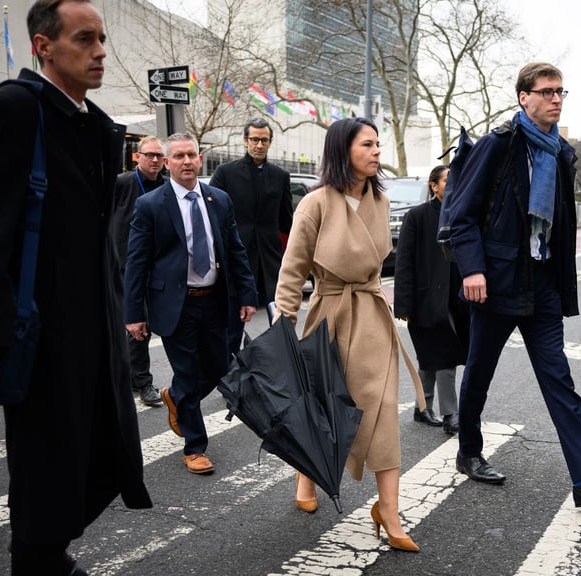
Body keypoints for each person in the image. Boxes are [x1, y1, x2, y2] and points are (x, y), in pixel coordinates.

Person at [0, 1, 152, 573]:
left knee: (93, 455)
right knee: (46, 469)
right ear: (43, 47)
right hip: (38, 330)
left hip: (92, 328)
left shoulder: (93, 123)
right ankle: (40, 560)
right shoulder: (16, 108)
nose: (101, 51)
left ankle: (44, 555)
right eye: (85, 39)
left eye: (102, 38)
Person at [445, 62, 581, 508]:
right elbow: (461, 215)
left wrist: (558, 276)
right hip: (496, 282)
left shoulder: (560, 152)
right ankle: (469, 451)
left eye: (561, 92)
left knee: (559, 379)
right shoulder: (498, 146)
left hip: (542, 283)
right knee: (479, 373)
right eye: (547, 91)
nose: (556, 99)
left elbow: (562, 223)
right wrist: (473, 269)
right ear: (524, 97)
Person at [274, 117, 425, 552]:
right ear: (344, 152)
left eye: (378, 144)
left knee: (380, 410)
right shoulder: (317, 202)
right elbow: (294, 266)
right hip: (331, 314)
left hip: (373, 315)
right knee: (324, 404)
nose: (377, 152)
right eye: (367, 145)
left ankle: (389, 510)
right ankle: (307, 476)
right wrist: (284, 320)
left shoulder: (380, 199)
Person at [124, 132, 258, 475]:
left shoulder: (220, 200)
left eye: (191, 155)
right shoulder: (151, 205)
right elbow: (136, 263)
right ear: (167, 163)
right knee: (186, 369)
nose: (186, 161)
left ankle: (176, 397)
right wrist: (134, 314)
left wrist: (246, 295)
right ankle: (195, 447)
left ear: (200, 159)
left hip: (215, 301)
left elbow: (235, 251)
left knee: (216, 368)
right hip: (175, 305)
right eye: (178, 156)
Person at [393, 164, 467, 435]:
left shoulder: (462, 213)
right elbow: (404, 262)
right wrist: (403, 304)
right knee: (445, 355)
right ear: (433, 186)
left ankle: (422, 407)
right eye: (448, 180)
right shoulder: (417, 216)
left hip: (458, 299)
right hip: (425, 300)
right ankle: (451, 414)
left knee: (431, 355)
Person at [210, 118, 293, 355]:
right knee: (233, 323)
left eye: (264, 140)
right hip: (237, 258)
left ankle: (285, 372)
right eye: (254, 139)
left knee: (280, 320)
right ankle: (227, 374)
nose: (259, 144)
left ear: (270, 143)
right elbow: (212, 217)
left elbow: (288, 222)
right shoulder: (225, 173)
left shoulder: (280, 176)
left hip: (270, 260)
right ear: (245, 141)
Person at [112, 135, 165, 406]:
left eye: (159, 156)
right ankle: (142, 381)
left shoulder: (167, 187)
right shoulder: (122, 184)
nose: (154, 160)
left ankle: (134, 378)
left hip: (157, 269)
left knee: (145, 326)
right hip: (124, 267)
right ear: (137, 156)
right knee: (137, 325)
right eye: (149, 155)